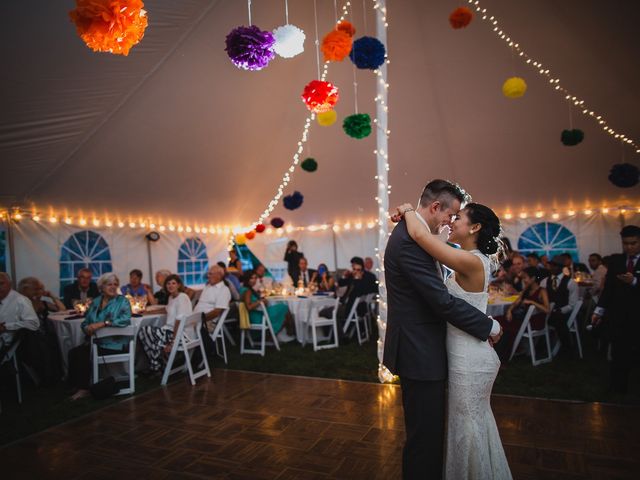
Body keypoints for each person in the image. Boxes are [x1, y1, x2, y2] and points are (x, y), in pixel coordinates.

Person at [384, 179, 506, 480]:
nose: (451, 222)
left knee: (436, 433)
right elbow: (440, 301)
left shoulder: (421, 237)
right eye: (451, 215)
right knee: (425, 440)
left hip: (434, 351)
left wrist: (408, 209)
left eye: (458, 218)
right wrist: (488, 325)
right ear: (436, 207)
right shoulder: (412, 241)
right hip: (420, 353)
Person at [67, 273, 132, 400]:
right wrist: (86, 328)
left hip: (115, 343)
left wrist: (104, 323)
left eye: (115, 284)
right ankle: (75, 385)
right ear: (101, 287)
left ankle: (83, 389)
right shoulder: (95, 302)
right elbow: (86, 322)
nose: (113, 287)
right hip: (96, 342)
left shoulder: (122, 301)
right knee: (73, 352)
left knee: (82, 353)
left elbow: (125, 319)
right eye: (109, 284)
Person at [592, 225, 640, 394]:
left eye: (633, 243)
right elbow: (608, 289)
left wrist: (634, 282)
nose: (629, 247)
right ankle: (617, 388)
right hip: (619, 316)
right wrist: (599, 311)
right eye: (625, 243)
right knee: (619, 353)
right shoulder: (616, 260)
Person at [138, 274, 192, 374]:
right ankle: (157, 363)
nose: (170, 285)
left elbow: (179, 321)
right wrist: (147, 312)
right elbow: (165, 309)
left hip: (181, 335)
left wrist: (172, 342)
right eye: (168, 283)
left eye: (173, 283)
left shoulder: (182, 297)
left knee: (145, 331)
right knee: (148, 334)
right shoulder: (171, 297)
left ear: (179, 285)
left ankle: (156, 364)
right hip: (169, 331)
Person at [498, 267, 551, 362]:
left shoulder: (542, 291)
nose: (524, 280)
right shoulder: (527, 290)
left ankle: (503, 356)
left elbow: (547, 309)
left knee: (503, 326)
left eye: (525, 278)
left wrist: (532, 302)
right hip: (524, 320)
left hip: (534, 322)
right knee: (497, 320)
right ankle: (499, 353)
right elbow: (516, 302)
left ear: (533, 278)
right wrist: (510, 310)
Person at [540, 255, 579, 356]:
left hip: (564, 312)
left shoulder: (570, 283)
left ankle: (567, 349)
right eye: (551, 265)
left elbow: (572, 304)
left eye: (555, 266)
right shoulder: (545, 281)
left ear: (561, 267)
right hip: (547, 312)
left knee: (559, 318)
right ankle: (541, 347)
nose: (552, 268)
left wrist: (560, 310)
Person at [240, 270, 295, 338]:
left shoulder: (246, 289)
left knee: (284, 313)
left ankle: (287, 332)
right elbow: (249, 307)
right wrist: (260, 301)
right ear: (247, 279)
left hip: (258, 313)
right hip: (257, 317)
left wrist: (261, 299)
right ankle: (289, 332)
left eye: (255, 278)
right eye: (252, 278)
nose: (254, 280)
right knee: (284, 307)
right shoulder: (247, 291)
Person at [0, 272, 40, 350]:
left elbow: (34, 324)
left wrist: (6, 327)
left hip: (5, 347)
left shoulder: (21, 300)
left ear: (10, 284)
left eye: (1, 283)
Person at [194, 265, 232, 333]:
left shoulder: (223, 290)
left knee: (182, 328)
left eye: (210, 274)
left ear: (219, 276)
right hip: (196, 319)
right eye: (208, 273)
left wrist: (200, 319)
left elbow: (216, 312)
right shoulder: (208, 286)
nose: (208, 276)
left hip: (207, 322)